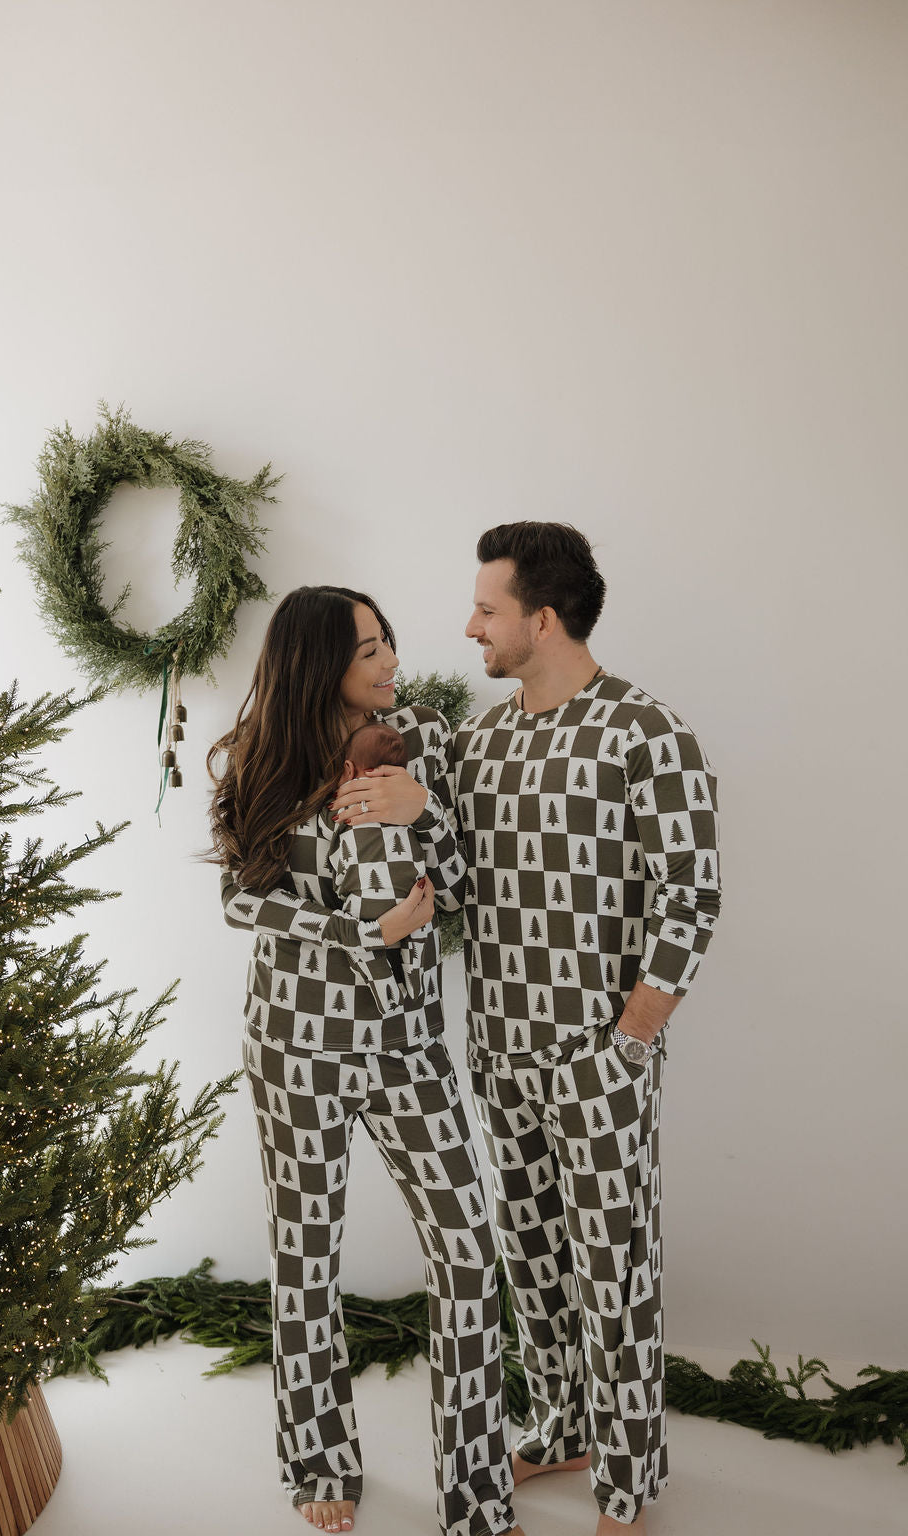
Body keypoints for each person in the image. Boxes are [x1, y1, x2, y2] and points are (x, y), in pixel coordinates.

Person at [209, 586, 521, 1536]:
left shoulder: (422, 734)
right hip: (297, 1046)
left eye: (388, 643)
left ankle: (474, 1492)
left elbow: (469, 883)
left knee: (468, 1254)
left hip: (409, 1043)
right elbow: (242, 901)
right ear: (318, 669)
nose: (391, 664)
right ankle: (318, 1460)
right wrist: (361, 929)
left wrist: (423, 809)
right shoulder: (264, 756)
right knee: (306, 1262)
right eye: (368, 652)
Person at [454, 523, 721, 1534]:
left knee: (612, 1267)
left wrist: (634, 1031)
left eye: (486, 608)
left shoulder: (644, 731)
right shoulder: (483, 738)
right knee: (532, 1258)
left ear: (543, 618)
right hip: (500, 1051)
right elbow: (472, 884)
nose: (468, 625)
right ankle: (560, 1426)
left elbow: (689, 896)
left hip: (598, 1057)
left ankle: (630, 1474)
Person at [327, 721, 428, 1013]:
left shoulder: (347, 809)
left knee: (362, 946)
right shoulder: (404, 806)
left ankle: (385, 995)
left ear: (348, 768)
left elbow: (339, 852)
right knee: (415, 930)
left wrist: (338, 876)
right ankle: (414, 979)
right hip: (411, 891)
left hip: (366, 899)